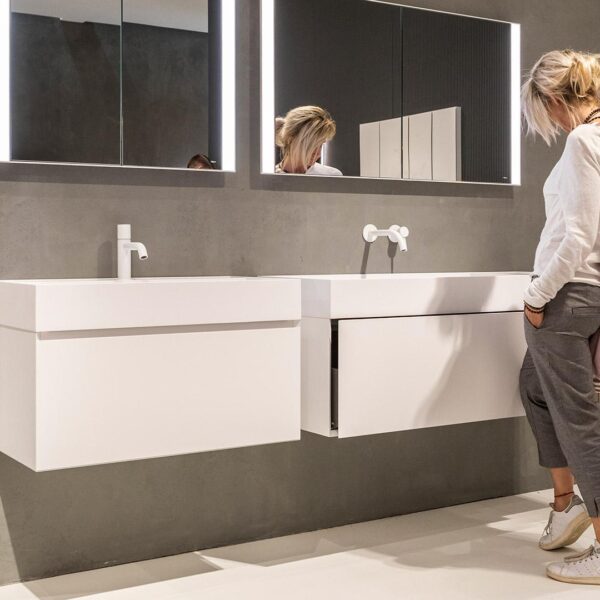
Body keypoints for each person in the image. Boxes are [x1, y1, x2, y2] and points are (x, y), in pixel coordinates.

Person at [520, 49, 600, 585]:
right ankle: (566, 501)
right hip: (590, 294)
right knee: (534, 386)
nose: (549, 122)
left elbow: (576, 235)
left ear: (553, 98)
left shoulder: (582, 140)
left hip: (566, 295)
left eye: (544, 111)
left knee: (579, 420)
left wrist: (537, 295)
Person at [275, 105, 342, 176]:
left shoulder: (331, 175)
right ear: (290, 139)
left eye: (320, 145)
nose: (318, 154)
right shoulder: (270, 176)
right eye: (311, 144)